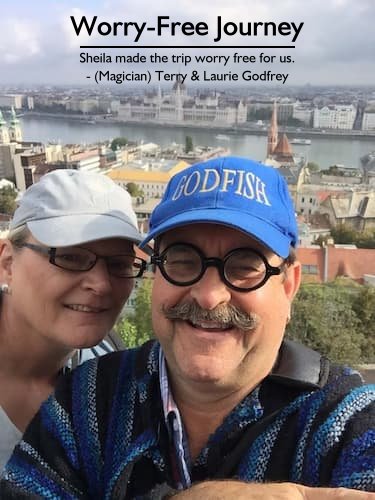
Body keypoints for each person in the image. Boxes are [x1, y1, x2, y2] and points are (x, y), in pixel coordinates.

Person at [1, 157, 374, 499]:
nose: (209, 297)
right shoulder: (86, 401)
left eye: (244, 265)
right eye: (182, 260)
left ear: (289, 286)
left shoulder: (345, 424)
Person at [0, 169, 146, 470]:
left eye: (119, 264)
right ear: (8, 263)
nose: (101, 284)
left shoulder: (111, 376)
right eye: (69, 257)